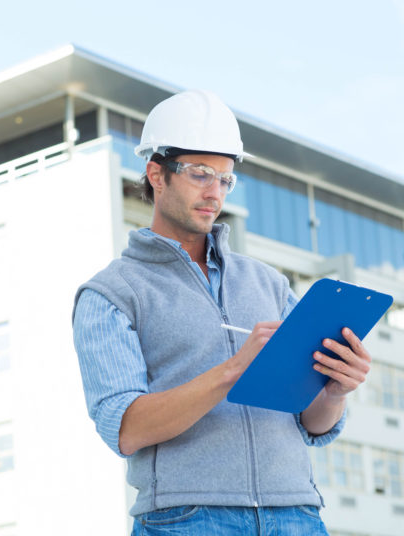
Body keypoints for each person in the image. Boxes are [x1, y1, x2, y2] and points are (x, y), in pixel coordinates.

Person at [72, 89, 372, 535]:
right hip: (188, 520)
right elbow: (126, 429)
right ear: (157, 173)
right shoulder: (111, 293)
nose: (215, 193)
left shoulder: (269, 283)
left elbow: (312, 423)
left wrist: (334, 390)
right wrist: (232, 371)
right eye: (200, 174)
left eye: (225, 179)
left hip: (296, 516)